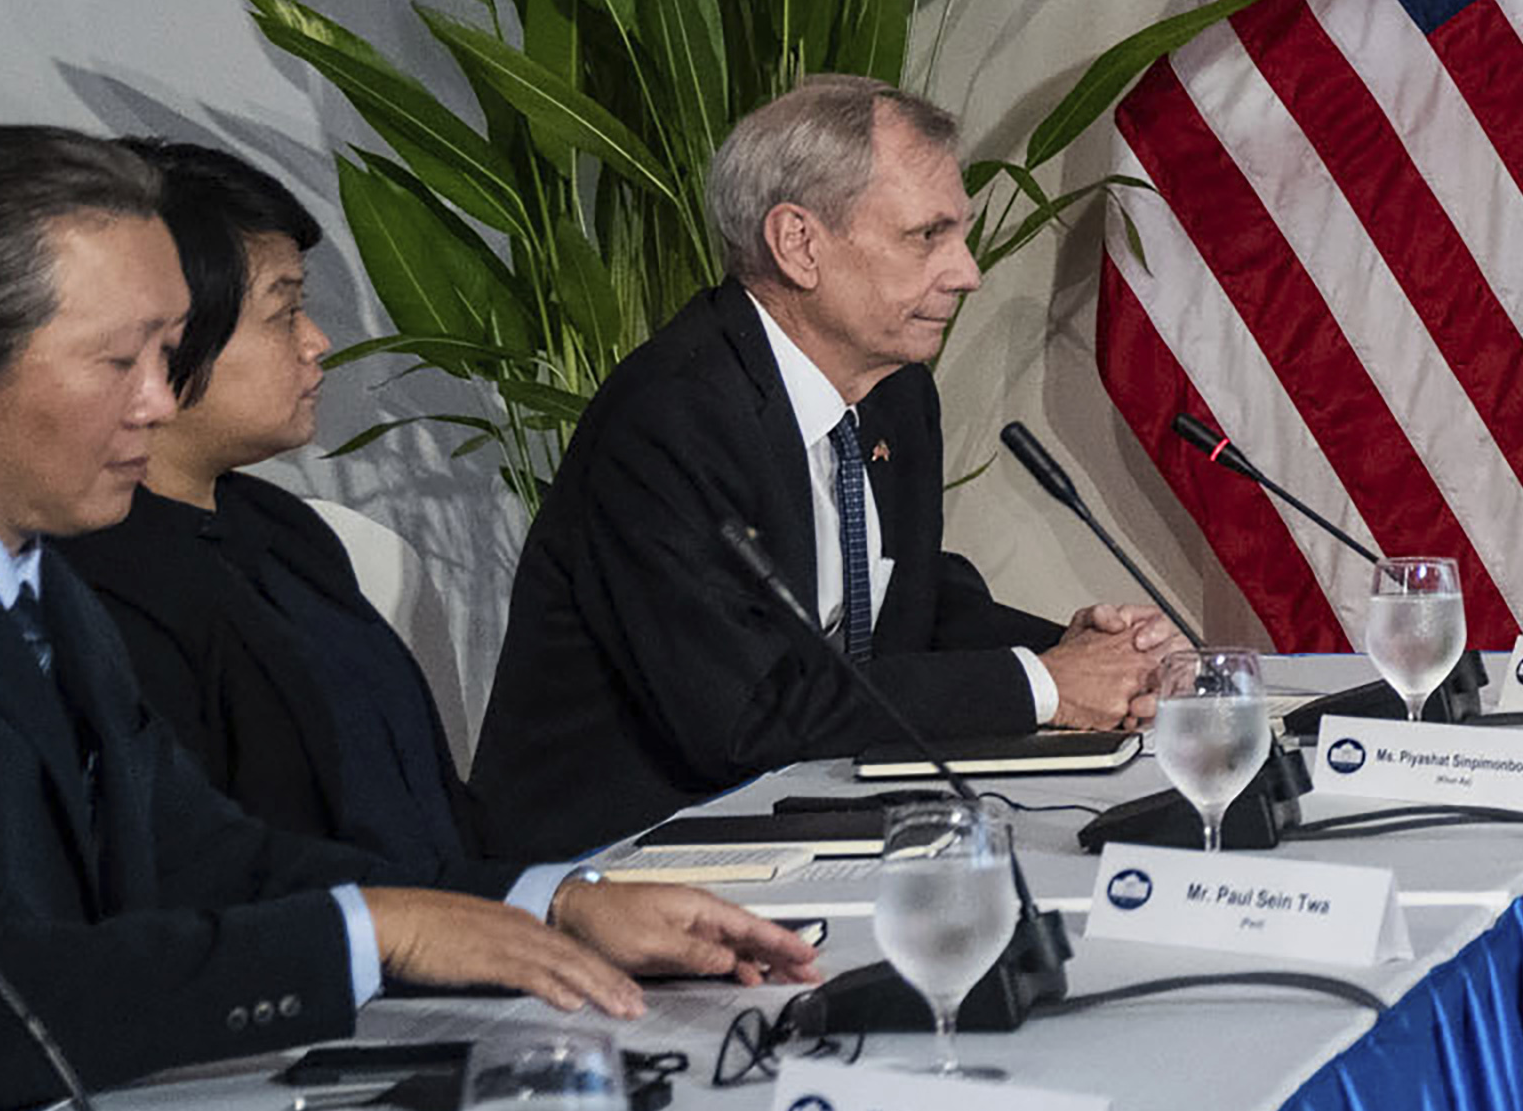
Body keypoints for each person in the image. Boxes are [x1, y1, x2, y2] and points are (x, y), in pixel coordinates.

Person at [0, 128, 814, 1111]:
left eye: (168, 354)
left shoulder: (18, 551)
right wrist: (367, 931)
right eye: (120, 361)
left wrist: (547, 905)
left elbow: (202, 850)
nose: (159, 403)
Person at [465, 79, 1187, 861]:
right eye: (927, 236)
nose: (967, 272)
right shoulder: (672, 416)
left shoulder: (893, 390)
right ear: (799, 245)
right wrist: (1042, 685)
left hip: (799, 815)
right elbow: (743, 715)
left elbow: (897, 608)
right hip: (610, 862)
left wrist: (1081, 654)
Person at [52, 143, 474, 865]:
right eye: (285, 311)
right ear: (168, 335)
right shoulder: (94, 578)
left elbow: (427, 801)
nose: (316, 344)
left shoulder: (285, 530)